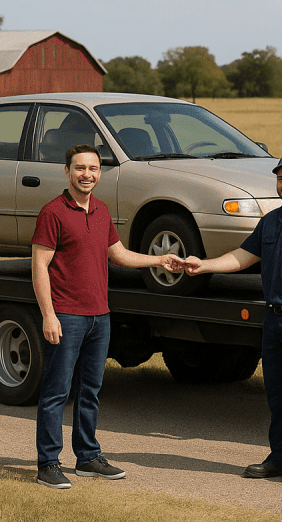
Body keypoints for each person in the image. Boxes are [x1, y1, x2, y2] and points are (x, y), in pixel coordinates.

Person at [183, 154, 282, 488]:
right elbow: (243, 257)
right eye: (281, 179)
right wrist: (205, 265)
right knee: (278, 395)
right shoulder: (270, 222)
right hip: (273, 320)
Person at [33, 143, 184, 489]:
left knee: (91, 389)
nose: (87, 174)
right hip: (66, 316)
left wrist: (158, 260)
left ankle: (87, 457)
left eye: (93, 169)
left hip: (100, 318)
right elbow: (39, 266)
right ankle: (48, 463)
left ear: (100, 173)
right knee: (57, 390)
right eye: (80, 168)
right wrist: (48, 315)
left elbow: (119, 255)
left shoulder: (101, 210)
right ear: (67, 171)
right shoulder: (53, 212)